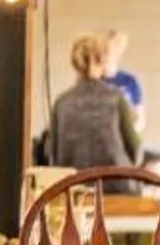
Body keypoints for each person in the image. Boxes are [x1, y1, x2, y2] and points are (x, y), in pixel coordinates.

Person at [48, 33, 141, 171]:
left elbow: (53, 156)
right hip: (117, 185)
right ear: (102, 62)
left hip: (73, 188)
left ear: (74, 64)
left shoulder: (61, 103)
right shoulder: (117, 98)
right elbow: (135, 149)